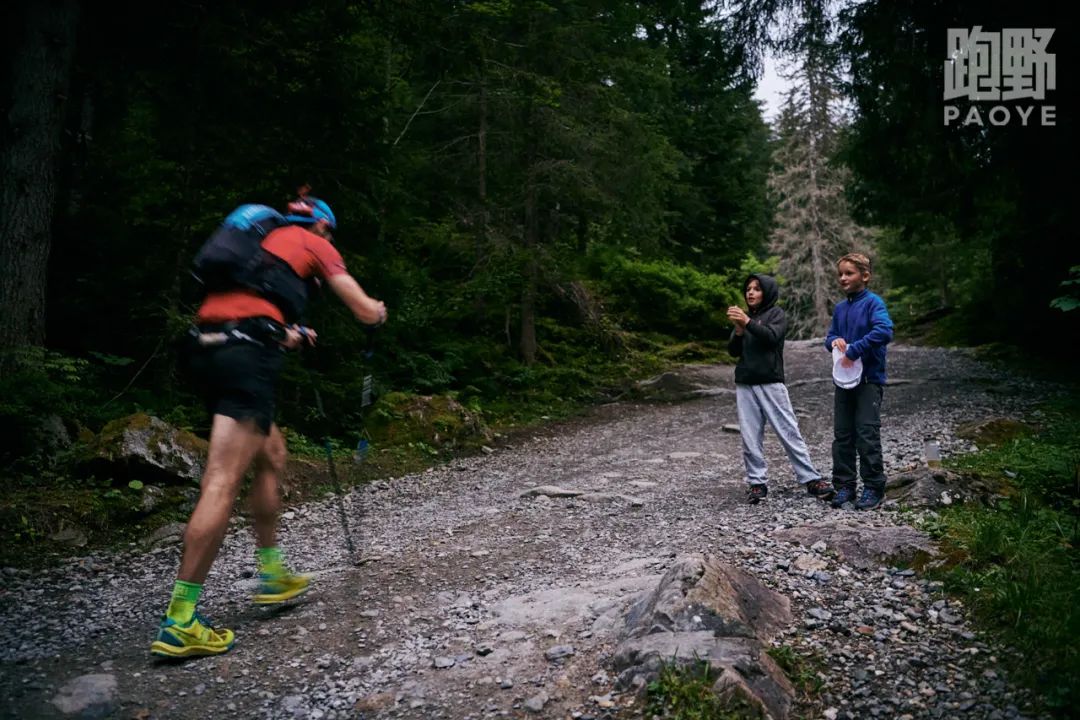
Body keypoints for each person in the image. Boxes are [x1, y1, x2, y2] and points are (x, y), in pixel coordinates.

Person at [150, 191, 387, 658]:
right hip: (245, 358)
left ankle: (273, 573)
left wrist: (290, 334)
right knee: (221, 481)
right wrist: (377, 311)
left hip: (205, 349)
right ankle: (180, 620)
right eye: (330, 232)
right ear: (322, 225)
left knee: (272, 453)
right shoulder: (313, 241)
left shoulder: (258, 243)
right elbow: (362, 309)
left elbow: (245, 310)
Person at [727, 274, 834, 504]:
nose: (750, 292)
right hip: (745, 383)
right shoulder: (746, 319)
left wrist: (747, 322)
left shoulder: (775, 314)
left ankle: (811, 478)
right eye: (748, 289)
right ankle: (757, 483)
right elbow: (733, 351)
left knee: (788, 430)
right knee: (749, 436)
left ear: (767, 292)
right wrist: (739, 330)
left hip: (771, 381)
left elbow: (772, 338)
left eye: (757, 289)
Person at [824, 253, 893, 511]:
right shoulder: (840, 309)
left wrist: (855, 349)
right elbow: (831, 336)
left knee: (866, 432)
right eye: (840, 274)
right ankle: (845, 485)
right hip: (843, 381)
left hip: (868, 380)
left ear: (865, 276)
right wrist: (833, 342)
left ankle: (874, 486)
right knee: (843, 434)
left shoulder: (874, 303)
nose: (843, 278)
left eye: (849, 273)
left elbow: (884, 331)